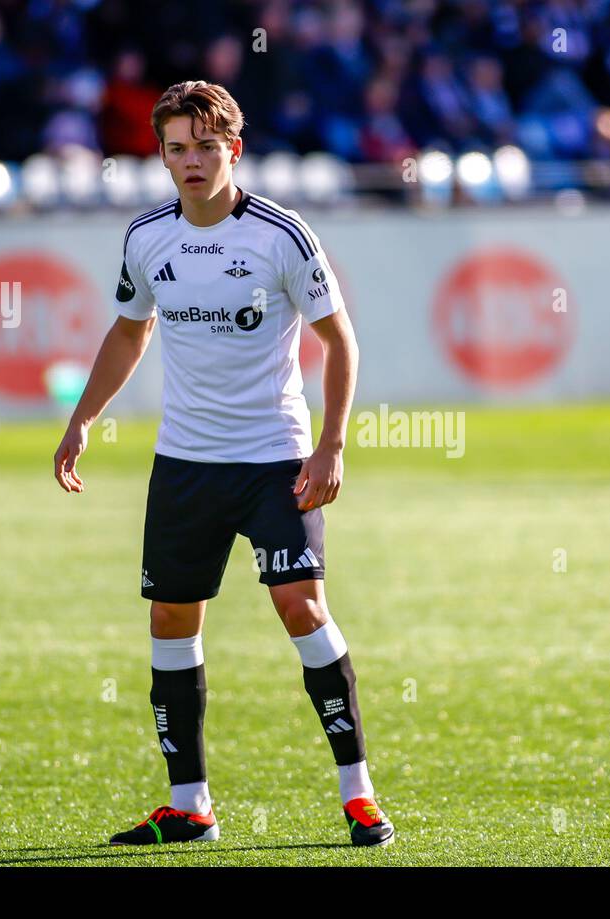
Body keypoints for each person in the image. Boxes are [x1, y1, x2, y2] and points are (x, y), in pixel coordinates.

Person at [53, 81, 393, 848]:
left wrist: (330, 444)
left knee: (301, 609)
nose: (192, 161)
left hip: (275, 459)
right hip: (185, 466)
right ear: (163, 155)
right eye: (177, 148)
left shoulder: (281, 234)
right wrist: (82, 420)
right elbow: (129, 333)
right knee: (171, 620)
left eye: (206, 146)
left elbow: (339, 342)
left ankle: (359, 793)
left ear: (232, 150)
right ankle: (190, 804)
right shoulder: (147, 238)